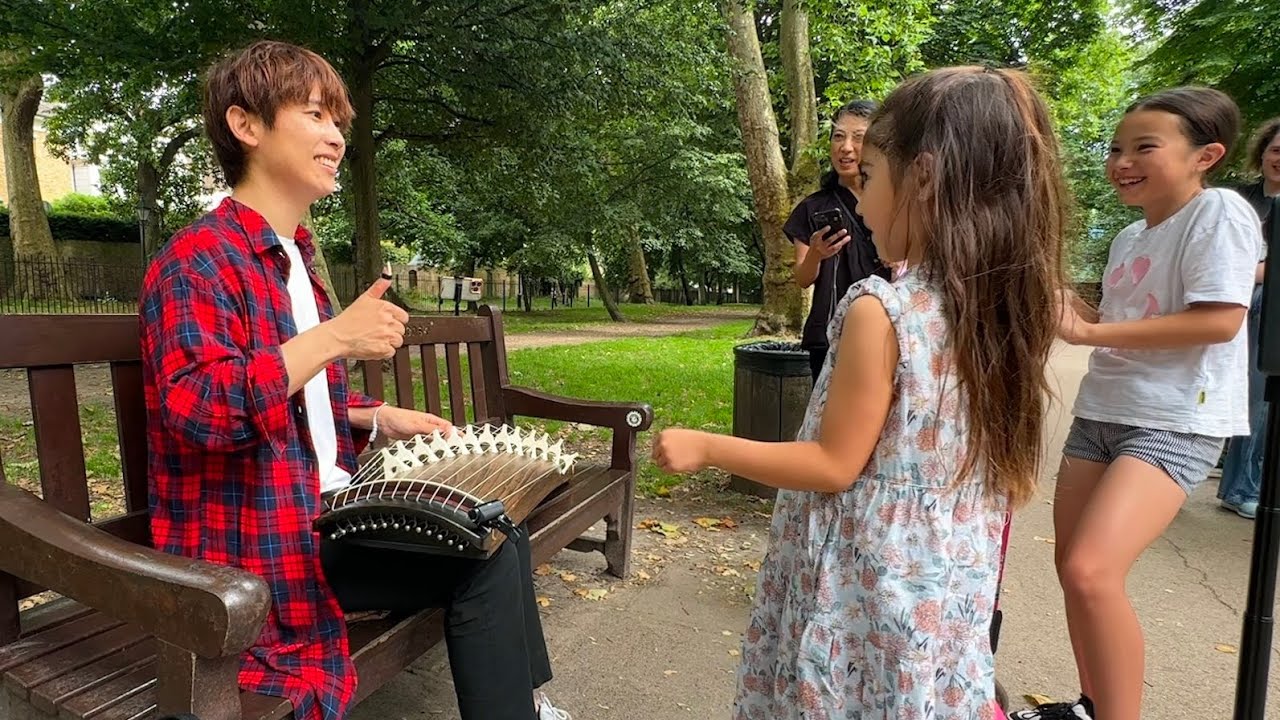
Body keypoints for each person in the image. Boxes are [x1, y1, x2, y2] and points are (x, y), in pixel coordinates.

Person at [139, 40, 569, 720]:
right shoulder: (198, 259)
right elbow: (200, 408)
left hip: (323, 513)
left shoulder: (296, 258)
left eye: (338, 120)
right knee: (481, 557)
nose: (337, 136)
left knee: (489, 528)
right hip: (259, 545)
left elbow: (302, 392)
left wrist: (374, 416)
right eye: (314, 115)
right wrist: (337, 336)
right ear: (246, 126)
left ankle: (525, 700)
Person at [652, 65, 1068, 719]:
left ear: (923, 177)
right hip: (944, 590)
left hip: (865, 592)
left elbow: (832, 464)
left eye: (869, 176)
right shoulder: (1002, 310)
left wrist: (707, 446)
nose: (862, 200)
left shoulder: (882, 309)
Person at [1017, 87, 1262, 720]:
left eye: (1144, 147)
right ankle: (1091, 705)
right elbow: (1130, 319)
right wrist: (1073, 311)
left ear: (1207, 155)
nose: (1122, 161)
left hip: (1175, 419)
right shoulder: (1130, 236)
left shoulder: (1220, 214)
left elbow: (1218, 321)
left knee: (1094, 572)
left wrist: (1091, 332)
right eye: (1116, 148)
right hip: (1102, 409)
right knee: (1074, 571)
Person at [784, 100, 889, 382]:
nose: (846, 147)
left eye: (858, 137)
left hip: (885, 328)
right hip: (829, 333)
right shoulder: (812, 207)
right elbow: (803, 278)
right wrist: (817, 253)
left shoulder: (895, 202)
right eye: (839, 136)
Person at [1218, 116, 1280, 518]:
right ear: (1262, 153)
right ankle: (1241, 488)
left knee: (1263, 402)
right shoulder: (1237, 199)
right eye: (1276, 149)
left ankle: (1245, 483)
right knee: (1253, 401)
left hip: (1266, 307)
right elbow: (1222, 259)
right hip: (1239, 306)